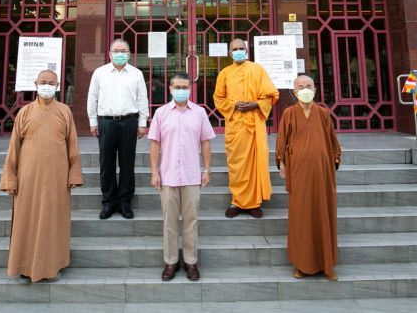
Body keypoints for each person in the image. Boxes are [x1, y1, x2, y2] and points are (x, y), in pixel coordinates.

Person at [0, 69, 83, 282]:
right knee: (25, 220)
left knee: (53, 221)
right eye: (43, 82)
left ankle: (52, 267)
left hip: (56, 178)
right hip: (28, 177)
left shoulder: (64, 111)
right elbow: (14, 148)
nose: (47, 86)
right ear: (36, 83)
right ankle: (24, 266)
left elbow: (72, 145)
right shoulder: (24, 112)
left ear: (57, 87)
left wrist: (74, 174)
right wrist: (11, 178)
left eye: (51, 83)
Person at [149, 72, 215, 282]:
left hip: (192, 175)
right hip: (167, 175)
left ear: (190, 89)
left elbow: (205, 142)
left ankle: (190, 261)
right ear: (170, 89)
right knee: (169, 221)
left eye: (184, 87)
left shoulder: (200, 113)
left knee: (191, 220)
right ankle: (170, 261)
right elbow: (155, 144)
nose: (180, 90)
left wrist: (206, 170)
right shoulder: (161, 114)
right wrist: (154, 171)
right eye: (176, 87)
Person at [275, 74, 342, 281]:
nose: (305, 89)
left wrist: (333, 161)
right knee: (301, 216)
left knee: (324, 212)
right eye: (301, 87)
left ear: (315, 90)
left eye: (309, 86)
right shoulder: (288, 113)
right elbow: (281, 142)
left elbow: (332, 142)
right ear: (294, 93)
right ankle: (302, 265)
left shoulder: (323, 113)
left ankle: (326, 264)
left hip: (322, 173)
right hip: (299, 173)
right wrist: (283, 166)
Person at [213, 38, 279, 218]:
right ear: (230, 53)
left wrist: (255, 104)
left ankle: (253, 203)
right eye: (235, 49)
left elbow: (271, 95)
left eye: (241, 48)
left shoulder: (257, 70)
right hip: (235, 126)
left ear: (247, 51)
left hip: (255, 123)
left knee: (255, 163)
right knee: (237, 165)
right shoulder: (225, 73)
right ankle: (236, 201)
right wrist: (234, 105)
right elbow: (218, 99)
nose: (238, 51)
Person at [87, 38, 149, 219]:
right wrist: (93, 121)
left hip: (129, 122)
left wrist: (142, 123)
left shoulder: (136, 74)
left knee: (127, 163)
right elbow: (92, 97)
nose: (120, 54)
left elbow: (142, 99)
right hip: (106, 122)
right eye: (116, 51)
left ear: (129, 54)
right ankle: (108, 202)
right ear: (110, 53)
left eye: (123, 51)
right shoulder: (100, 73)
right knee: (106, 163)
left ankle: (125, 202)